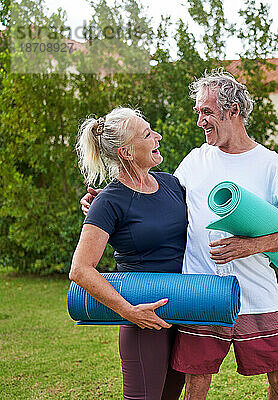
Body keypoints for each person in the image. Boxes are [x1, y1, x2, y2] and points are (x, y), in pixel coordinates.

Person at [82, 70, 278, 400]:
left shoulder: (270, 164)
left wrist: (251, 246)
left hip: (258, 293)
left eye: (206, 112)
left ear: (232, 110)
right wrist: (100, 207)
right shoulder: (194, 161)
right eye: (198, 113)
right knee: (197, 382)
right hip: (200, 292)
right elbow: (154, 203)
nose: (200, 121)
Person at [70, 107, 186, 400]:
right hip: (142, 316)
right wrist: (128, 311)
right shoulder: (108, 201)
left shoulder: (172, 184)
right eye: (147, 134)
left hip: (186, 307)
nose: (157, 136)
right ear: (127, 152)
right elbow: (80, 269)